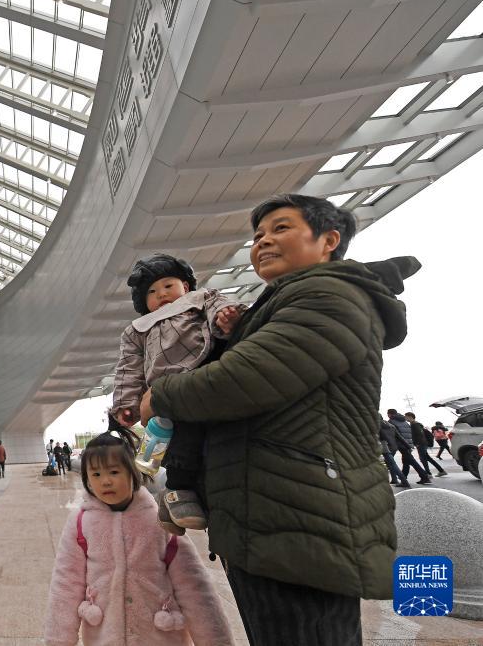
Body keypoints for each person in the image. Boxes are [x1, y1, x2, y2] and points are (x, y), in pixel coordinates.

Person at [136, 194, 420, 645]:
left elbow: (243, 380)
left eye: (281, 228)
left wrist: (160, 396)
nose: (263, 242)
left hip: (301, 523)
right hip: (272, 518)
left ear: (329, 240)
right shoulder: (278, 304)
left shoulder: (329, 296)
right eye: (258, 236)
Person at [44, 430, 231, 646]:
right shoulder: (81, 523)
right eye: (95, 474)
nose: (105, 481)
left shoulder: (158, 521)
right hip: (104, 638)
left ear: (133, 472)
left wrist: (216, 641)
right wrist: (58, 641)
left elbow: (193, 585)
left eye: (114, 472)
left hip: (161, 638)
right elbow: (66, 584)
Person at [111, 253, 244, 534]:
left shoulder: (201, 299)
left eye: (168, 286)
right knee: (178, 439)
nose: (161, 294)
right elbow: (128, 368)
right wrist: (125, 403)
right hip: (165, 392)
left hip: (202, 372)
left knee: (197, 438)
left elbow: (220, 308)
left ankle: (177, 497)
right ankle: (176, 490)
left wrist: (227, 317)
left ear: (185, 286)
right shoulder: (137, 329)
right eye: (151, 291)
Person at [387, 409, 431, 484]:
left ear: (389, 414)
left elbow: (393, 435)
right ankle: (404, 478)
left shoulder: (391, 421)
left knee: (411, 460)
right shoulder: (404, 421)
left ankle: (424, 476)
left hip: (401, 444)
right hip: (408, 443)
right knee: (406, 461)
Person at [406, 412, 446, 477]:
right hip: (423, 443)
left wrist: (417, 443)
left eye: (406, 417)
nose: (405, 418)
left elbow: (419, 435)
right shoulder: (417, 424)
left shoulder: (414, 424)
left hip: (420, 444)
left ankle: (428, 474)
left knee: (423, 459)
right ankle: (441, 471)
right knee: (427, 458)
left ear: (410, 417)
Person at [378, 418, 409, 488]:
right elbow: (399, 437)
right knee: (391, 464)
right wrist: (408, 446)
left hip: (384, 446)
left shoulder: (376, 425)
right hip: (392, 446)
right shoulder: (391, 425)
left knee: (392, 464)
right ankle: (395, 480)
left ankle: (404, 481)